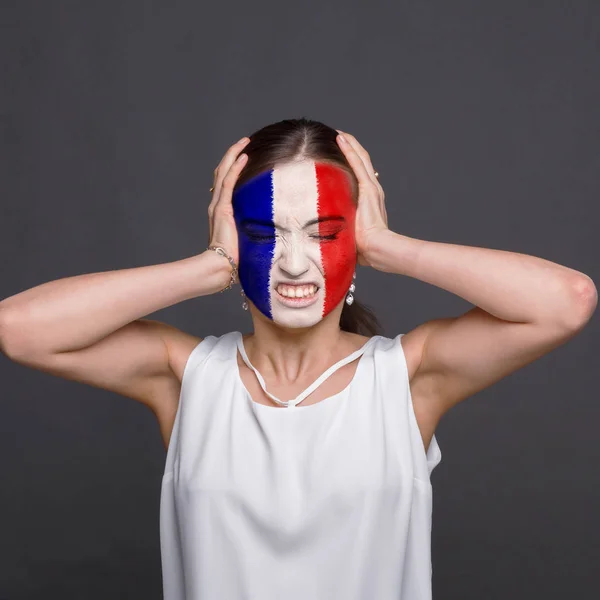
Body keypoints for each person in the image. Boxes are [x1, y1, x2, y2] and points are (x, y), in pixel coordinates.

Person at [0, 117, 596, 599]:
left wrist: (392, 247)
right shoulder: (185, 379)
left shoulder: (407, 379)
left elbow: (567, 302)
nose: (292, 263)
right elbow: (19, 329)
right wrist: (207, 267)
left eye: (323, 232)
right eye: (264, 234)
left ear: (355, 239)